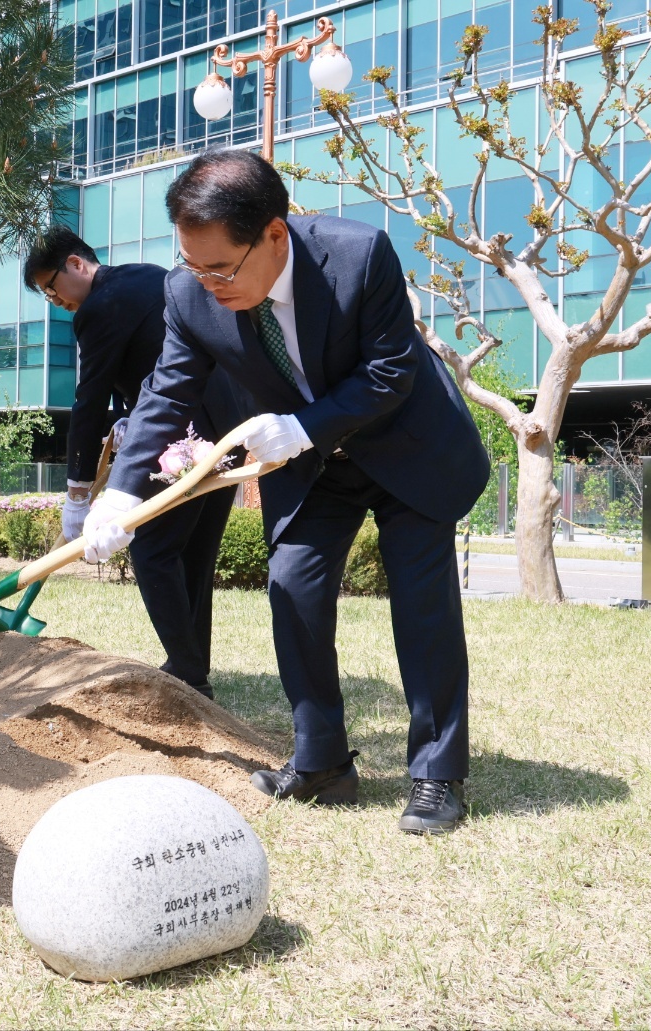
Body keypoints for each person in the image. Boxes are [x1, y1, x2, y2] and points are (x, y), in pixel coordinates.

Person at [82, 150, 490, 835]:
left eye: (220, 268)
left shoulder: (360, 255)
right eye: (192, 265)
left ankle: (435, 775)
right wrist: (119, 493)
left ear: (274, 235)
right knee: (292, 586)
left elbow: (391, 371)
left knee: (422, 606)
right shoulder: (187, 295)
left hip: (405, 444)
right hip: (311, 464)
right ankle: (323, 761)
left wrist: (302, 426)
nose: (206, 283)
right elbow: (165, 391)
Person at [24, 227, 252, 700]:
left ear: (75, 264)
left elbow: (88, 401)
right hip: (227, 428)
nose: (53, 300)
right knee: (192, 555)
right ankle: (192, 666)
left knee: (151, 551)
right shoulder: (148, 277)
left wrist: (77, 492)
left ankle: (188, 672)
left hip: (184, 439)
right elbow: (154, 364)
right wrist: (129, 414)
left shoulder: (99, 308)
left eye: (51, 287)